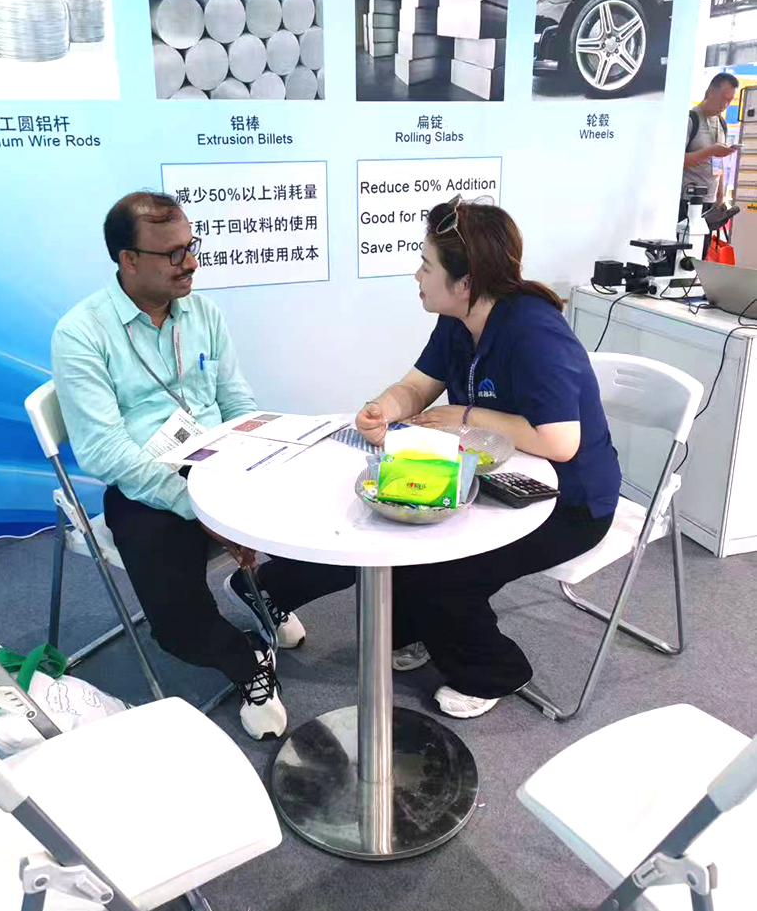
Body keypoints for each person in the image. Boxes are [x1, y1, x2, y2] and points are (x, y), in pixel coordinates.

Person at [249, 199, 621, 719]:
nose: (417, 276)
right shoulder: (458, 320)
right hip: (488, 478)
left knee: (441, 572)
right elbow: (417, 386)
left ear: (465, 282)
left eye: (426, 266)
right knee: (395, 536)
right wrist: (383, 409)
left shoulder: (533, 332)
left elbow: (559, 442)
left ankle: (493, 672)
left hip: (567, 503)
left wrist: (465, 415)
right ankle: (406, 627)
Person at [51, 190, 292, 740]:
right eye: (173, 254)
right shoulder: (81, 333)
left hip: (219, 458)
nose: (191, 263)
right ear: (128, 259)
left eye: (191, 246)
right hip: (146, 484)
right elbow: (105, 451)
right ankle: (246, 658)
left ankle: (273, 593)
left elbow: (236, 403)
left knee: (328, 523)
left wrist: (255, 464)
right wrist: (199, 507)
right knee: (178, 628)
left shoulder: (203, 313)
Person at [682, 72, 740, 242]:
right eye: (723, 98)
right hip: (686, 200)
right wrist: (711, 151)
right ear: (709, 92)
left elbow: (717, 163)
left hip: (710, 202)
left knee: (703, 250)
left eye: (729, 101)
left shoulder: (721, 123)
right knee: (683, 250)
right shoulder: (690, 119)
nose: (725, 105)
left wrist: (720, 197)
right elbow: (676, 161)